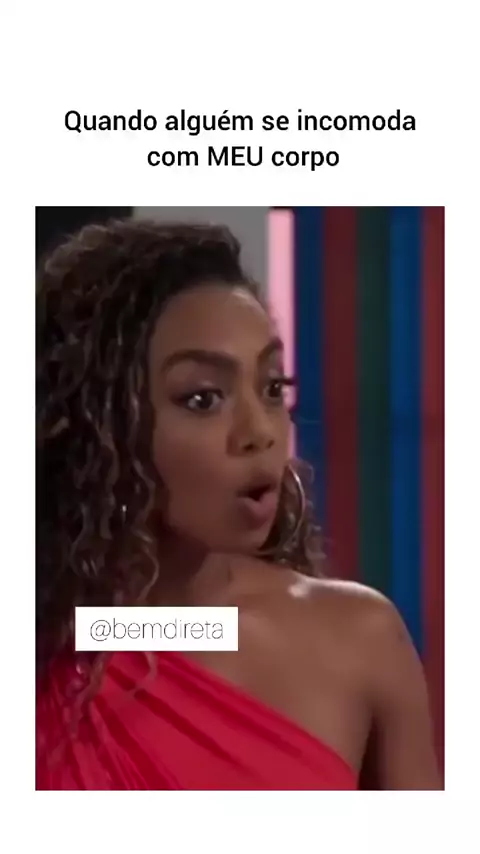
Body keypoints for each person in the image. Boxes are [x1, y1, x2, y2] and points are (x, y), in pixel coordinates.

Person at [36, 219, 441, 790]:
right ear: (101, 429)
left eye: (272, 388)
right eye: (203, 398)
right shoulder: (52, 644)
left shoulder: (360, 640)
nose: (260, 431)